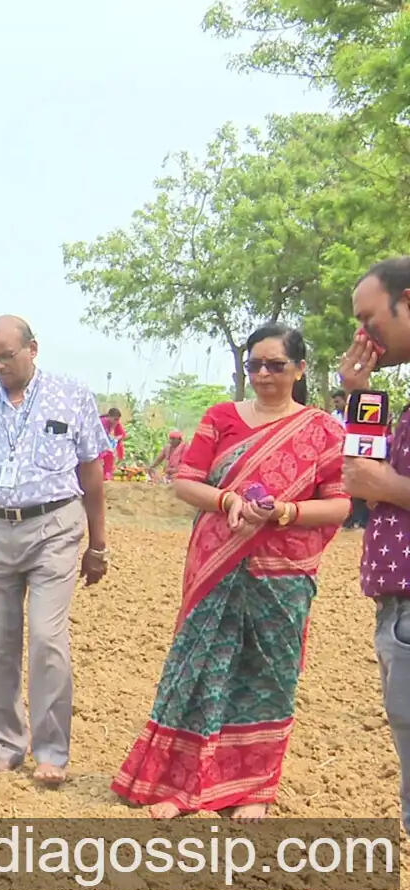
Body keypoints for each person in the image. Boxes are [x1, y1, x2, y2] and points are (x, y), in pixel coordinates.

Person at [113, 323, 349, 822]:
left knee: (269, 675)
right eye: (254, 365)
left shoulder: (322, 430)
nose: (263, 374)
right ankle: (184, 785)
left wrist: (284, 513)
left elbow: (338, 505)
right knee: (202, 669)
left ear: (300, 369)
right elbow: (186, 482)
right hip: (217, 562)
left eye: (276, 365)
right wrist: (229, 500)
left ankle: (255, 788)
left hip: (282, 570)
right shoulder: (221, 418)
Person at [0, 315, 108, 787]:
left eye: (6, 355)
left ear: (32, 349)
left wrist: (98, 545)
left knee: (46, 639)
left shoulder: (72, 395)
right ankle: (6, 743)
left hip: (54, 528)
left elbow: (92, 474)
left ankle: (52, 751)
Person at [338, 256, 410, 835]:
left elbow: (376, 479)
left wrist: (390, 487)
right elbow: (365, 470)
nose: (364, 335)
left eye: (370, 318)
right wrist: (360, 393)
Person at [332, 389, 371, 529]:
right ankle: (349, 521)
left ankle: (363, 521)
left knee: (362, 488)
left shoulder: (354, 414)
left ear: (345, 400)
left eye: (338, 401)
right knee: (347, 488)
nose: (336, 405)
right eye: (334, 402)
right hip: (341, 455)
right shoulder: (333, 417)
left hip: (359, 453)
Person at [100, 408, 126, 481]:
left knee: (110, 454)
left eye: (118, 420)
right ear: (109, 417)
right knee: (105, 454)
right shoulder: (102, 422)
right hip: (96, 443)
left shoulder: (116, 423)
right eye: (115, 419)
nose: (117, 421)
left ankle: (107, 475)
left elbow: (122, 435)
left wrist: (116, 439)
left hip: (105, 443)